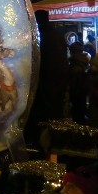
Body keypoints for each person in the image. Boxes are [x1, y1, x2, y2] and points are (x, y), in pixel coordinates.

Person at [23, 10, 69, 146]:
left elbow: (36, 62)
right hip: (56, 84)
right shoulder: (57, 36)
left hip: (43, 85)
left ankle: (42, 148)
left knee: (41, 122)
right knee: (53, 119)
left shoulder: (40, 36)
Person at [66, 41, 91, 123]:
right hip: (83, 94)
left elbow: (73, 84)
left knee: (77, 116)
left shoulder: (74, 65)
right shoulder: (84, 63)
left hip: (76, 95)